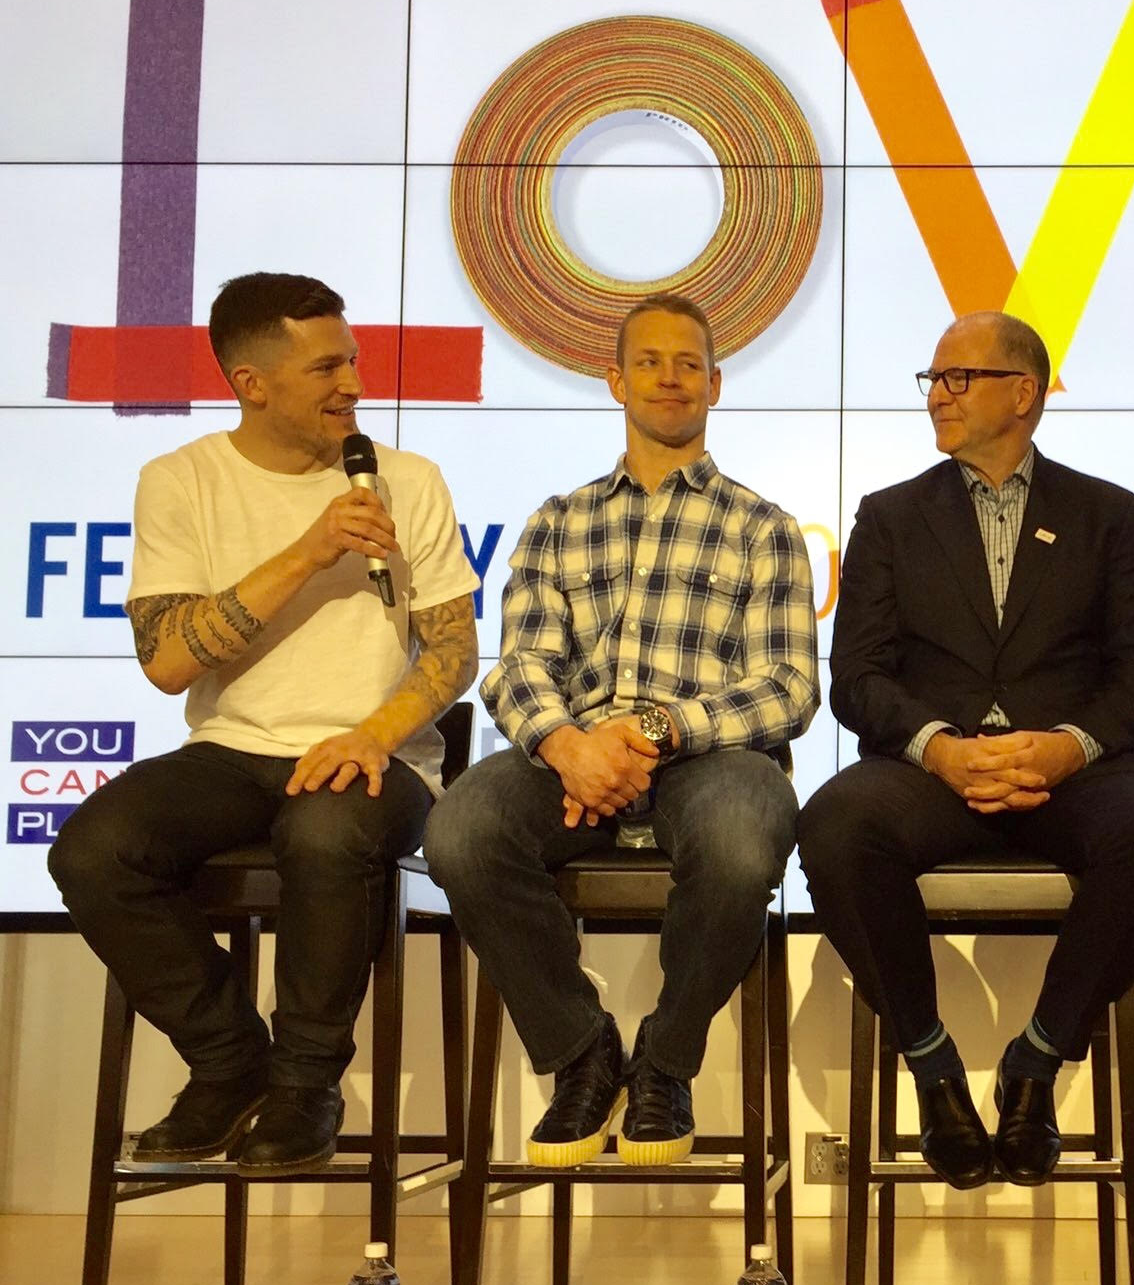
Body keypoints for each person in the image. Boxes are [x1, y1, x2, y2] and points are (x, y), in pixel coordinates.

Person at [49, 272, 479, 1175]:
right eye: (326, 368)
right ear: (251, 383)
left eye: (352, 360)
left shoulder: (408, 480)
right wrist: (308, 551)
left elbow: (452, 653)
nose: (352, 384)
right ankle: (229, 1060)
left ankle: (305, 1085)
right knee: (93, 851)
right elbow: (168, 662)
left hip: (377, 755)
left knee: (325, 830)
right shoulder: (182, 480)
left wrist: (372, 735)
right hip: (232, 749)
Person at [798, 312, 1134, 1189]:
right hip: (932, 770)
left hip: (1069, 769)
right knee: (835, 827)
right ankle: (932, 1066)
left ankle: (1038, 1060)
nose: (936, 396)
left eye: (958, 378)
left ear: (1023, 394)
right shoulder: (890, 516)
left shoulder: (1105, 513)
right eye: (933, 380)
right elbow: (856, 676)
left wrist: (1068, 747)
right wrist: (939, 749)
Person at [425, 293, 817, 1167]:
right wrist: (569, 746)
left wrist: (658, 729)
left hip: (710, 755)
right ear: (615, 381)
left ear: (715, 384)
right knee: (461, 829)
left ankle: (665, 1064)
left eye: (688, 364)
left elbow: (789, 689)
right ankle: (581, 1052)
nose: (669, 378)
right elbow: (518, 667)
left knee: (743, 840)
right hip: (573, 755)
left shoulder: (763, 527)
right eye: (649, 362)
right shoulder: (559, 520)